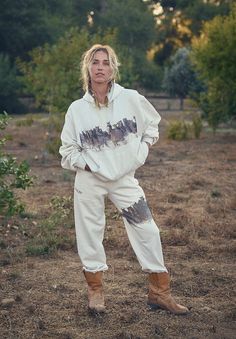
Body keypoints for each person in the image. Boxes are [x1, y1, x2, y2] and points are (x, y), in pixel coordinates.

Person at [59, 44, 189, 315]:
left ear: (113, 68)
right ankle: (95, 292)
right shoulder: (76, 110)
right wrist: (89, 165)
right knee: (90, 232)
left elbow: (152, 124)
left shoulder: (131, 98)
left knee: (148, 230)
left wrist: (141, 152)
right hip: (89, 179)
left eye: (106, 62)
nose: (100, 67)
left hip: (124, 179)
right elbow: (67, 150)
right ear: (88, 68)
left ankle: (159, 292)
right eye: (95, 62)